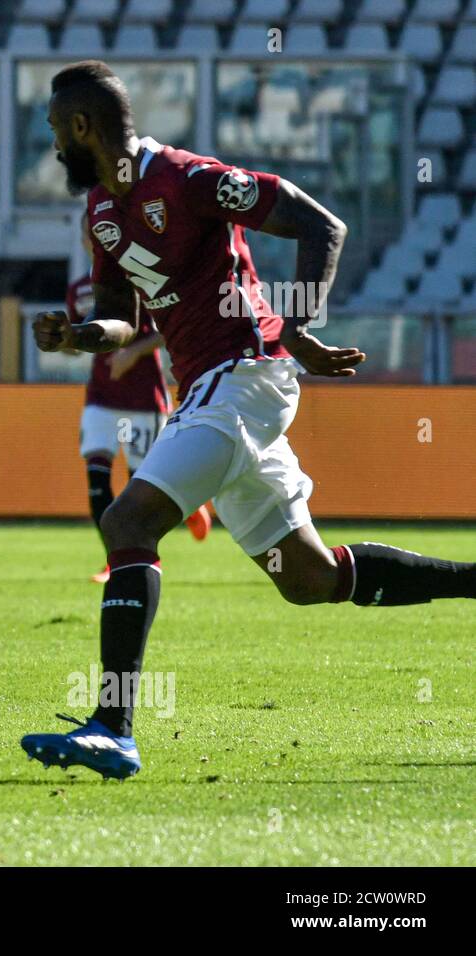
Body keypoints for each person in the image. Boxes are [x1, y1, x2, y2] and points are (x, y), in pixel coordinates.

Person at [26, 60, 476, 779]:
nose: (52, 146)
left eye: (55, 129)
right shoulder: (101, 215)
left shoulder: (186, 178)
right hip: (218, 390)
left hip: (244, 375)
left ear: (84, 127)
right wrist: (77, 335)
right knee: (309, 578)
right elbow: (119, 314)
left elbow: (319, 224)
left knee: (126, 524)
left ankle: (113, 725)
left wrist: (297, 323)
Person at [66, 210, 210, 585]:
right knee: (98, 484)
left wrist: (134, 351)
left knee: (139, 490)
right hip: (100, 398)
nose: (92, 239)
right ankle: (115, 560)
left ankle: (186, 504)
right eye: (87, 233)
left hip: (143, 399)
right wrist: (64, 339)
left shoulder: (143, 282)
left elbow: (168, 328)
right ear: (85, 240)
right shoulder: (80, 289)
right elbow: (76, 345)